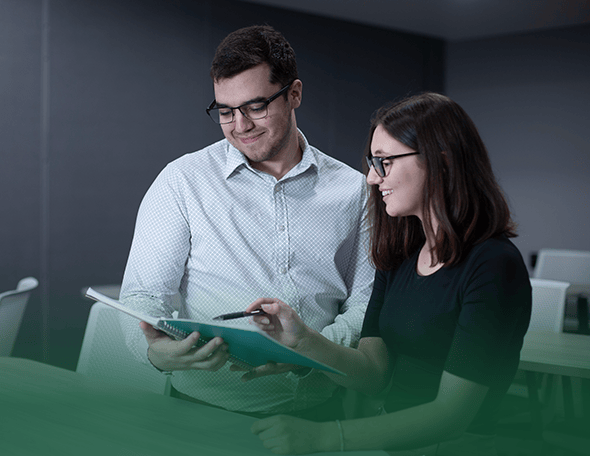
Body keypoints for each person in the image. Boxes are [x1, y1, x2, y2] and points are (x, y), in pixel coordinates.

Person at [244, 92, 532, 455]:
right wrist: (303, 341)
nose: (370, 178)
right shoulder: (399, 256)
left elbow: (452, 415)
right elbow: (373, 376)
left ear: (441, 162)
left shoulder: (493, 264)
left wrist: (324, 437)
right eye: (372, 162)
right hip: (397, 443)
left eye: (384, 162)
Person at [118, 25, 374, 422]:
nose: (240, 125)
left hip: (322, 415)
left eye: (256, 106)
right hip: (202, 413)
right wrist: (155, 353)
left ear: (294, 94)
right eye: (225, 111)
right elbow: (144, 297)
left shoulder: (356, 191)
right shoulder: (182, 181)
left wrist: (310, 349)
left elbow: (365, 305)